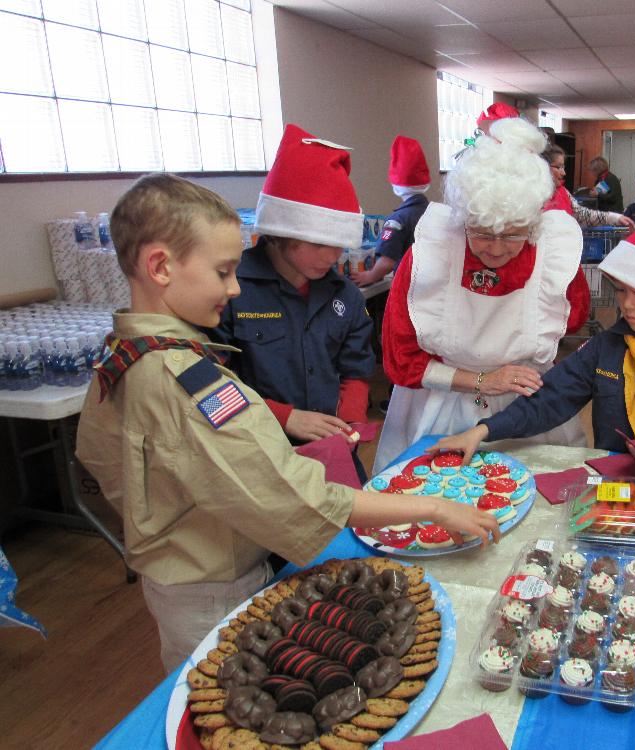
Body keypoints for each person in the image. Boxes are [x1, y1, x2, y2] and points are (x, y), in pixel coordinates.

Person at [76, 173, 499, 672]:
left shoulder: (126, 352)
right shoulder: (184, 378)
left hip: (177, 568)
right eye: (222, 271)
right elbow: (294, 495)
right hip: (214, 582)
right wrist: (431, 507)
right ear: (161, 266)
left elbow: (98, 456)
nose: (234, 288)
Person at [433, 217, 635, 468]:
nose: (627, 305)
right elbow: (551, 397)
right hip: (611, 477)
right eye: (620, 291)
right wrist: (483, 430)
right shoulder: (605, 347)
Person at [374, 118, 590, 473]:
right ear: (463, 219)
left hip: (525, 408)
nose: (495, 249)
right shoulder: (432, 253)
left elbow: (573, 319)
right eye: (482, 233)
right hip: (443, 405)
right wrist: (483, 381)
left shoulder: (553, 254)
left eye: (513, 235)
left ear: (534, 226)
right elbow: (400, 356)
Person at [213, 125, 373, 483]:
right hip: (256, 458)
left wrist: (349, 423)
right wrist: (285, 417)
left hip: (332, 454)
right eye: (318, 245)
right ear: (280, 234)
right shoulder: (230, 292)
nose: (332, 257)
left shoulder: (344, 296)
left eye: (340, 245)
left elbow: (357, 369)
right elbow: (208, 391)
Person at [351, 136, 431, 288]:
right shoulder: (432, 211)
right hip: (431, 284)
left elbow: (387, 262)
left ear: (396, 184)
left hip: (408, 286)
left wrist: (370, 276)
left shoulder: (398, 220)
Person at [541, 142, 635, 230]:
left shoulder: (564, 192)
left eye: (563, 167)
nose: (564, 173)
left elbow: (582, 215)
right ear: (543, 166)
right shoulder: (533, 195)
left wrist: (615, 217)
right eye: (559, 167)